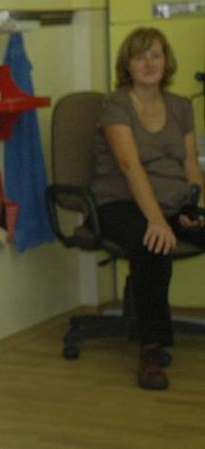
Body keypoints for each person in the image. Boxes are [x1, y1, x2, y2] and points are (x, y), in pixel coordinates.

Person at [91, 27, 205, 390]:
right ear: (127, 63)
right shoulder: (117, 105)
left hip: (172, 203)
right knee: (152, 245)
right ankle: (152, 349)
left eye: (156, 55)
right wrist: (158, 221)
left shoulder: (181, 106)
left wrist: (192, 206)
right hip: (118, 203)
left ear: (167, 61)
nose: (149, 63)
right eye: (140, 56)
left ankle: (146, 317)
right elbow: (130, 166)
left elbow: (191, 167)